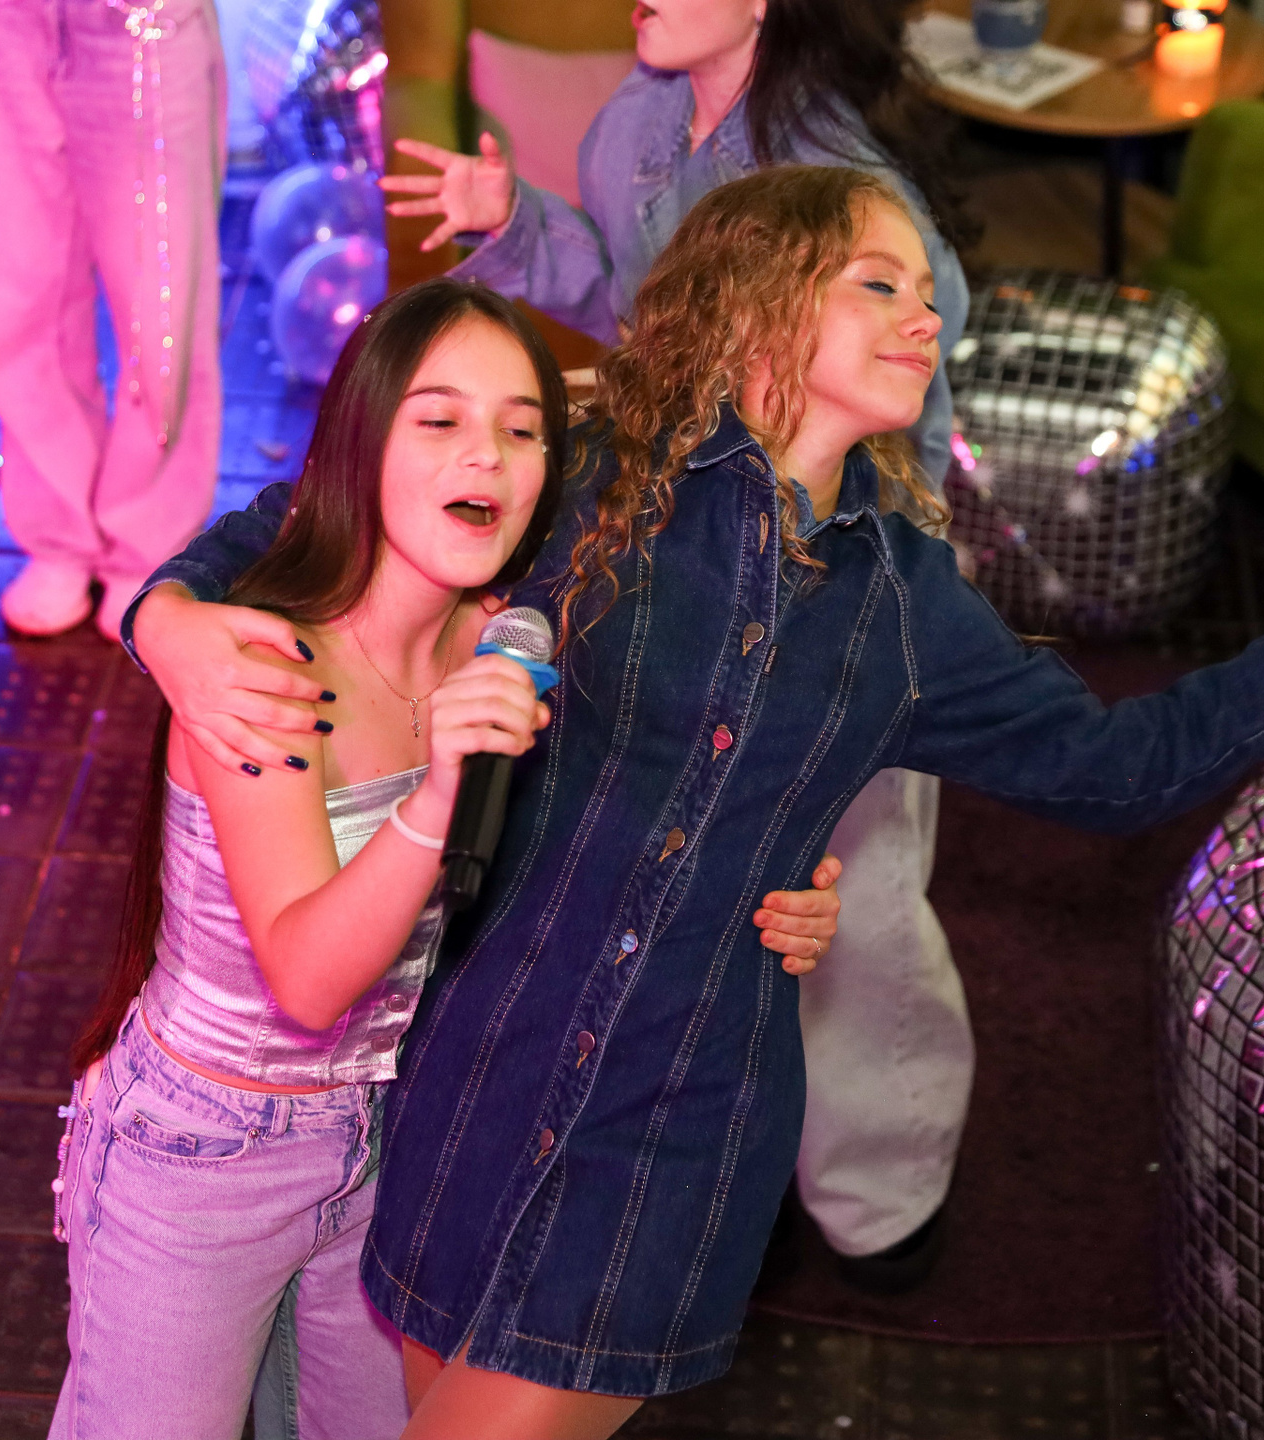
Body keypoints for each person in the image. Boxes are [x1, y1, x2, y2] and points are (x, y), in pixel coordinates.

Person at [134, 165, 1264, 1436]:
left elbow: (1118, 768)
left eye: (926, 293)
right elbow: (332, 507)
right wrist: (170, 617)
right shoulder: (593, 477)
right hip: (473, 1080)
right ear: (759, 297)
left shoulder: (907, 607)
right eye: (878, 283)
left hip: (673, 1139)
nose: (925, 317)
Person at [149, 0, 985, 1293]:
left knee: (847, 895)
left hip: (830, 593)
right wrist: (518, 225)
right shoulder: (643, 118)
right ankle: (736, 1145)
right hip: (669, 556)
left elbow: (903, 402)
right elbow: (633, 299)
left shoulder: (843, 186)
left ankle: (884, 1193)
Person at [48, 278, 843, 1440]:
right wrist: (438, 795)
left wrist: (778, 897)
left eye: (522, 430)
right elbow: (308, 977)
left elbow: (639, 831)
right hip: (203, 1155)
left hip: (404, 1137)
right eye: (440, 420)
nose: (487, 456)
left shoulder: (510, 640)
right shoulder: (263, 670)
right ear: (361, 444)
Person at [0, 0, 225, 639]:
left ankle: (150, 544)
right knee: (15, 296)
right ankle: (60, 531)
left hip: (143, 24)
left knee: (162, 307)